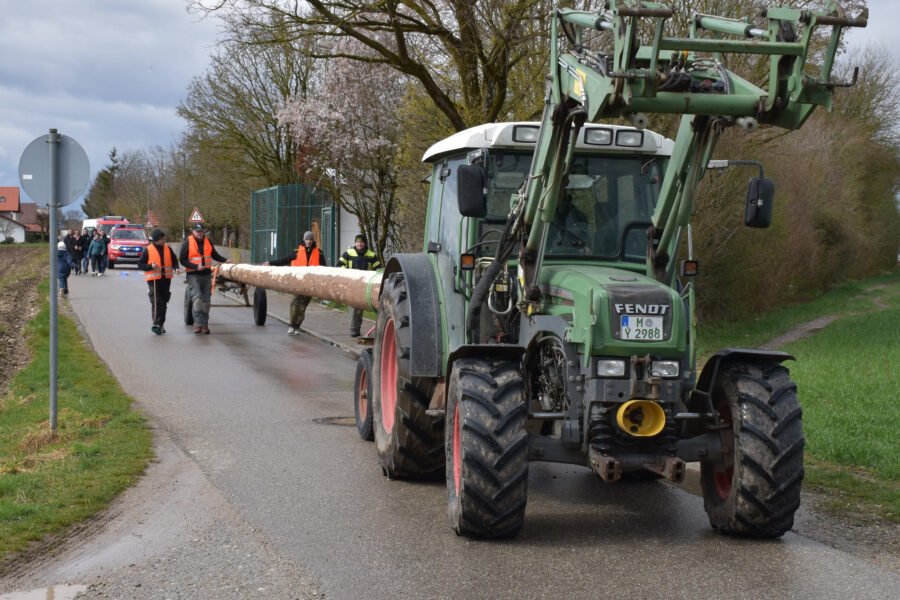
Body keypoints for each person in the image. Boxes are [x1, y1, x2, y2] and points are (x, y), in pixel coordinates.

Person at [264, 230, 326, 335]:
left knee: (302, 308)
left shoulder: (319, 253)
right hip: (298, 283)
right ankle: (291, 326)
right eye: (307, 239)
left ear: (313, 240)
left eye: (310, 239)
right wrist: (270, 263)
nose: (309, 241)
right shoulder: (297, 252)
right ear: (304, 240)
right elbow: (284, 260)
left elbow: (324, 268)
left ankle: (297, 326)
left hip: (311, 285)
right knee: (294, 303)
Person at [179, 222, 228, 334]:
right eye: (197, 231)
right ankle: (198, 324)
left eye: (201, 231)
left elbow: (214, 255)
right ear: (193, 232)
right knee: (197, 299)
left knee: (206, 301)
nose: (200, 233)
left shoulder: (208, 241)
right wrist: (196, 266)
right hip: (193, 275)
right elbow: (182, 260)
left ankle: (204, 325)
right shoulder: (187, 243)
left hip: (206, 275)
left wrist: (225, 260)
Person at [138, 229, 180, 335]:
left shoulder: (168, 249)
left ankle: (161, 325)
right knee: (156, 302)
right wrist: (150, 266)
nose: (164, 240)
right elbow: (140, 265)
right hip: (153, 280)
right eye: (162, 239)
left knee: (164, 302)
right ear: (157, 240)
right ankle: (156, 324)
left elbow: (174, 260)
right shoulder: (147, 250)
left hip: (166, 279)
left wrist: (176, 268)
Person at [339, 233, 381, 337]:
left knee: (367, 307)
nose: (360, 244)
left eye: (361, 242)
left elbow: (378, 269)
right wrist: (348, 273)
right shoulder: (348, 253)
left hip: (367, 285)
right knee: (355, 307)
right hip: (352, 284)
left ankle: (376, 332)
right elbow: (339, 265)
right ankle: (354, 330)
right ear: (355, 243)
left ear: (365, 243)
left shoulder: (371, 255)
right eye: (358, 242)